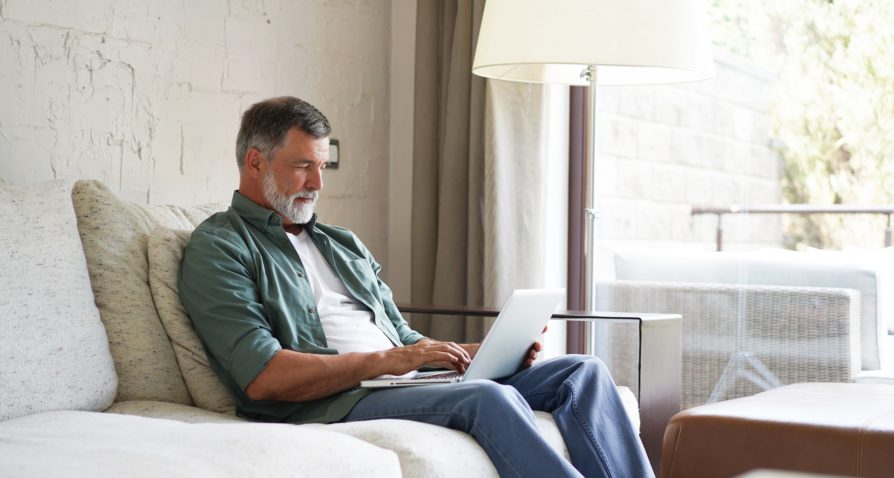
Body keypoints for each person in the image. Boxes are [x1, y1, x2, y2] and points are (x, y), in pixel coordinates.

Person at [179, 96, 653, 478]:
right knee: (487, 397)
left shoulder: (339, 242)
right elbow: (264, 378)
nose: (318, 182)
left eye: (324, 166)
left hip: (398, 379)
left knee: (582, 372)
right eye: (303, 166)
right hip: (335, 401)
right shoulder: (221, 246)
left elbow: (400, 338)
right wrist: (394, 361)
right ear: (256, 162)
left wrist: (466, 353)